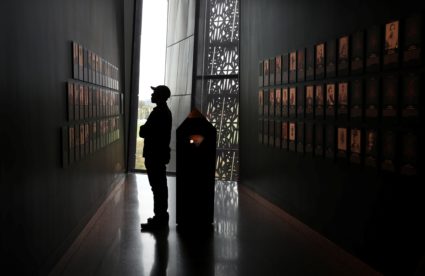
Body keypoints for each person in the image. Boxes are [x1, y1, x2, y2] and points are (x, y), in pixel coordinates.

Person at [140, 85, 172, 231]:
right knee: (159, 187)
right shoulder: (163, 111)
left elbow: (144, 131)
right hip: (158, 154)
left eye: (155, 93)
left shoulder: (159, 113)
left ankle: (159, 219)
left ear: (161, 96)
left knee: (158, 187)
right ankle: (160, 217)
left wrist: (144, 129)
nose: (152, 95)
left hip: (154, 155)